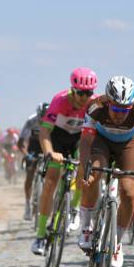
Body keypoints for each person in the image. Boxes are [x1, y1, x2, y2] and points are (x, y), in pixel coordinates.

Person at [78, 76, 134, 267]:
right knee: (94, 174)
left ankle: (117, 242)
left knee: (128, 192)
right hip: (101, 142)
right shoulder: (95, 107)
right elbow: (85, 142)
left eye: (124, 110)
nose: (120, 114)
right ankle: (86, 226)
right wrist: (85, 167)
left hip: (127, 145)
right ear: (108, 102)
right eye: (116, 109)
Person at [31, 68, 97, 255]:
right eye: (81, 93)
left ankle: (75, 209)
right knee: (51, 182)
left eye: (89, 93)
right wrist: (50, 152)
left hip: (79, 139)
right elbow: (44, 132)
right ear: (73, 90)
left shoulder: (93, 103)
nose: (85, 97)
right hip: (58, 138)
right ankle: (41, 235)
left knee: (85, 172)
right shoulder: (59, 100)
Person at [19, 102, 49, 220]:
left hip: (47, 145)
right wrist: (27, 155)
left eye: (45, 118)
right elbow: (21, 142)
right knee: (30, 174)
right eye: (41, 118)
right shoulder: (31, 120)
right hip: (34, 147)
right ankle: (27, 204)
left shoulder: (55, 119)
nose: (42, 120)